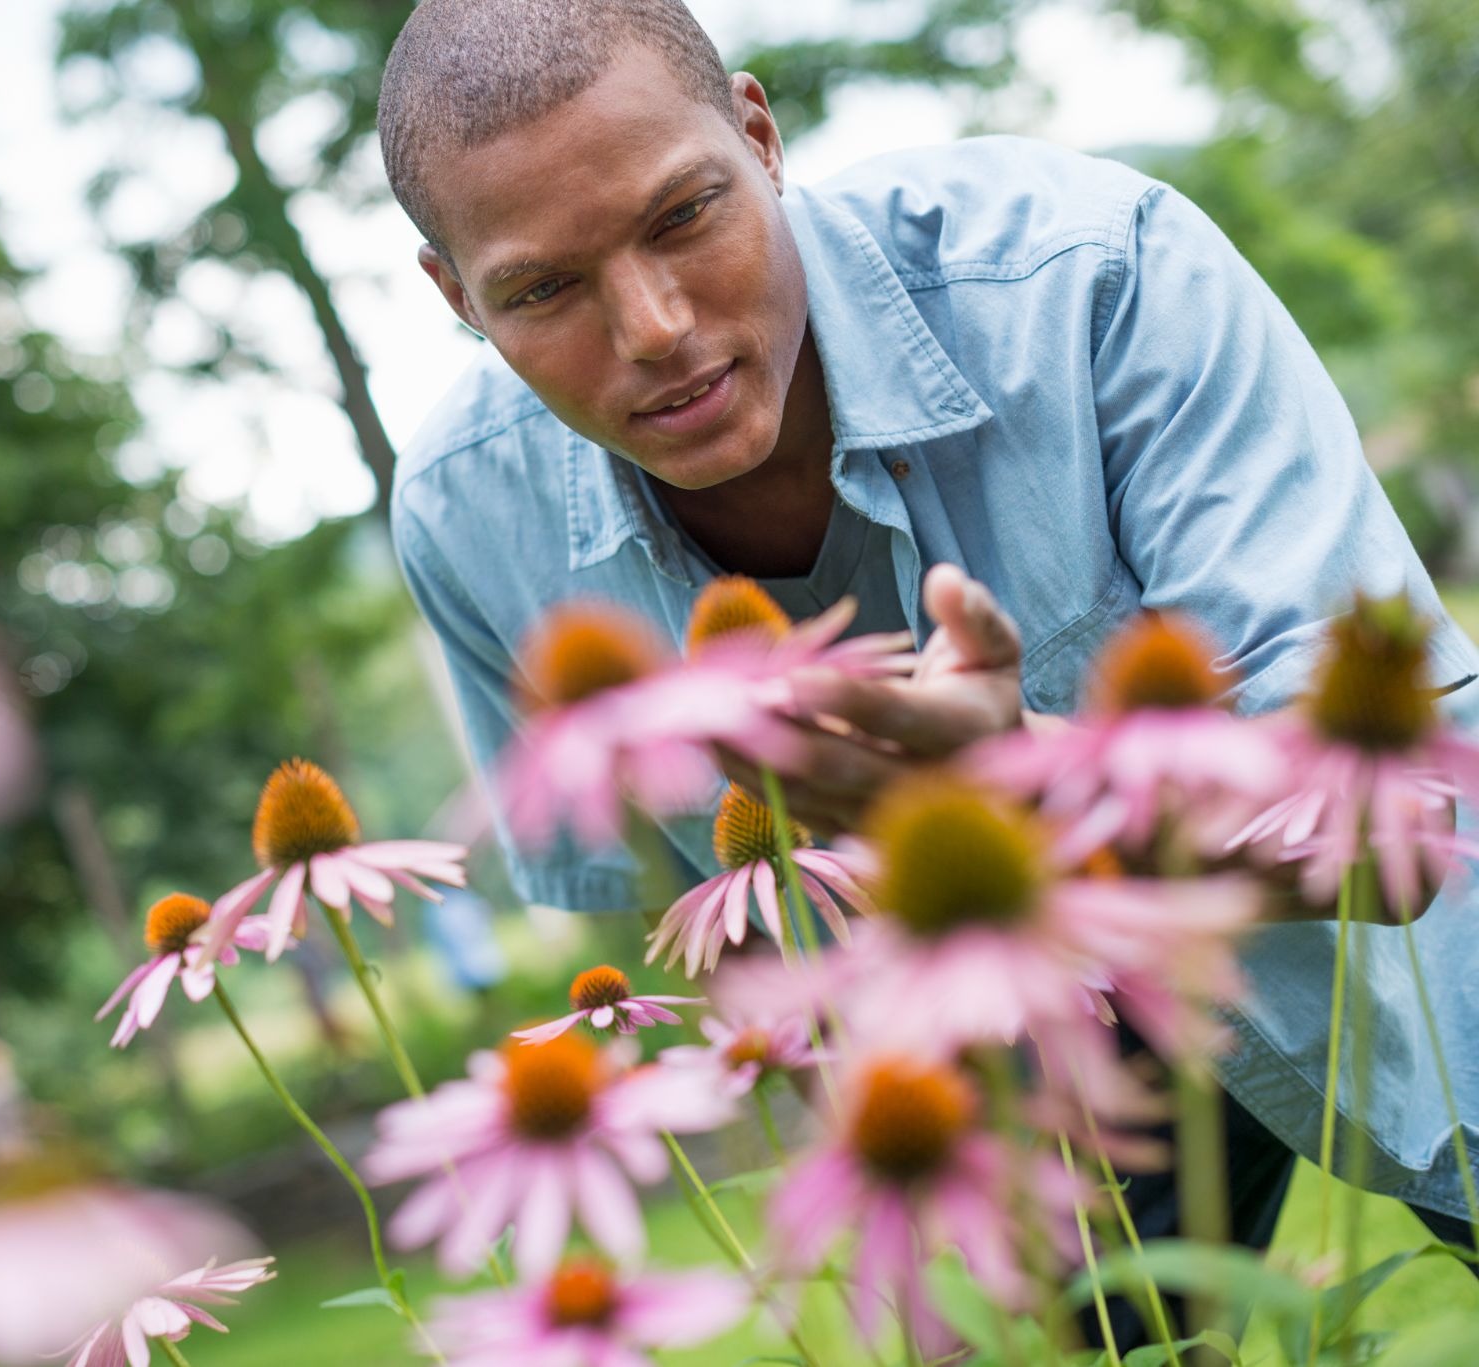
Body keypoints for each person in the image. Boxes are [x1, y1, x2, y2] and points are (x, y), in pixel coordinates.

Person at [377, 0, 1479, 1347]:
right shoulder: (468, 521)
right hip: (1022, 1087)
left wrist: (1023, 806)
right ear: (453, 296)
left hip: (1406, 979)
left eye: (682, 217)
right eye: (542, 290)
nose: (654, 327)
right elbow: (689, 916)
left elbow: (1399, 831)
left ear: (760, 134)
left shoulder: (1095, 276)